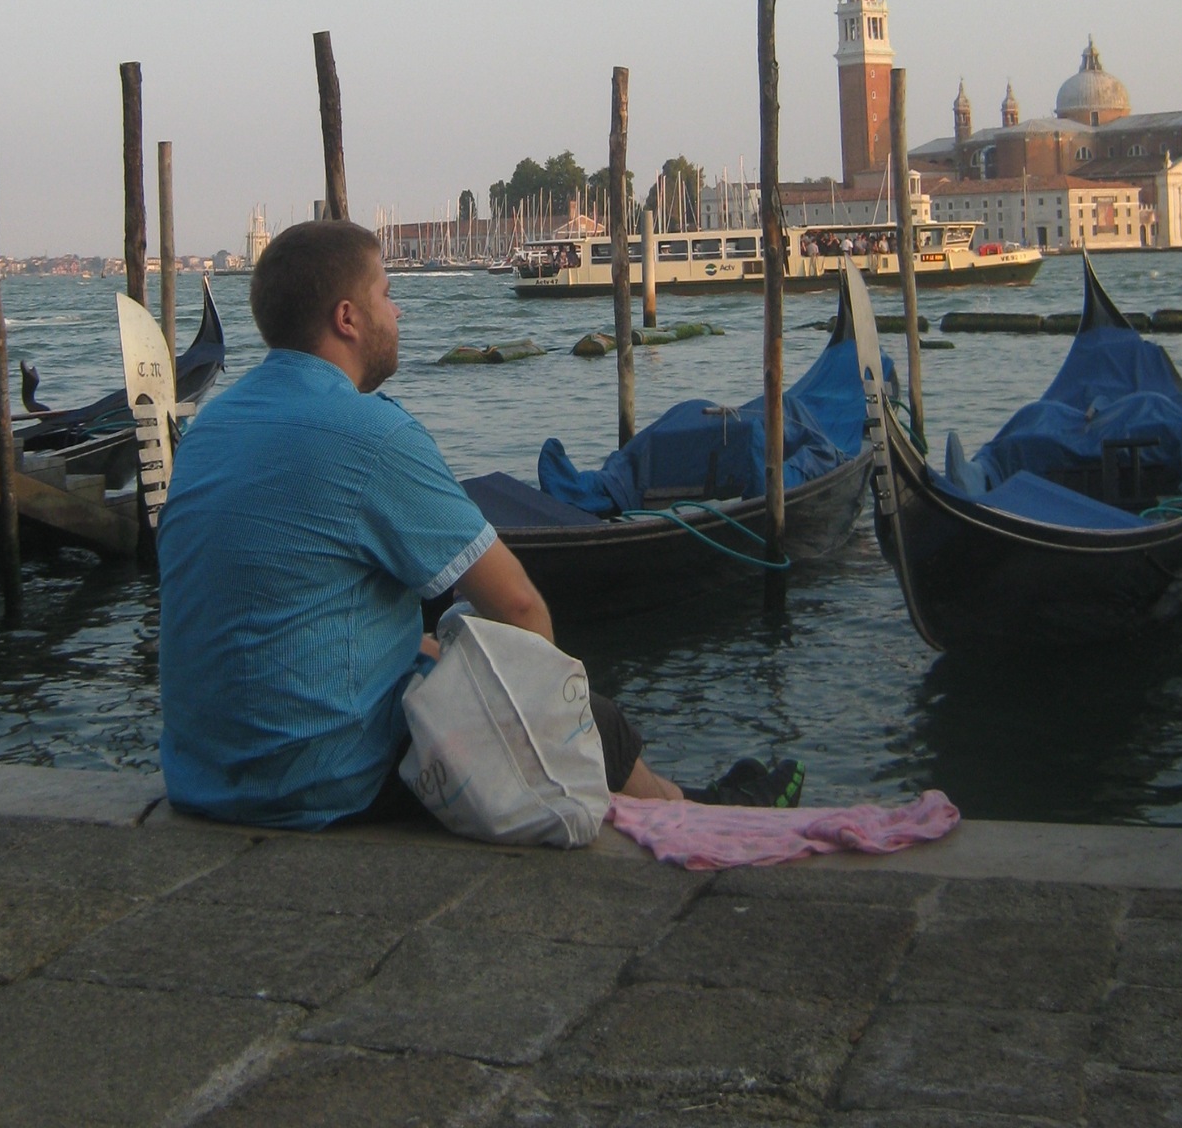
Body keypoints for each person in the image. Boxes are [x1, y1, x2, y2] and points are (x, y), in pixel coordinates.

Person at [158, 220, 801, 829]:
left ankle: (686, 800)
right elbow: (520, 610)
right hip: (318, 786)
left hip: (203, 777)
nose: (398, 313)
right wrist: (547, 724)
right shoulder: (372, 436)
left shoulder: (212, 426)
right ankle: (697, 814)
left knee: (434, 647)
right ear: (347, 318)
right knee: (589, 716)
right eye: (386, 294)